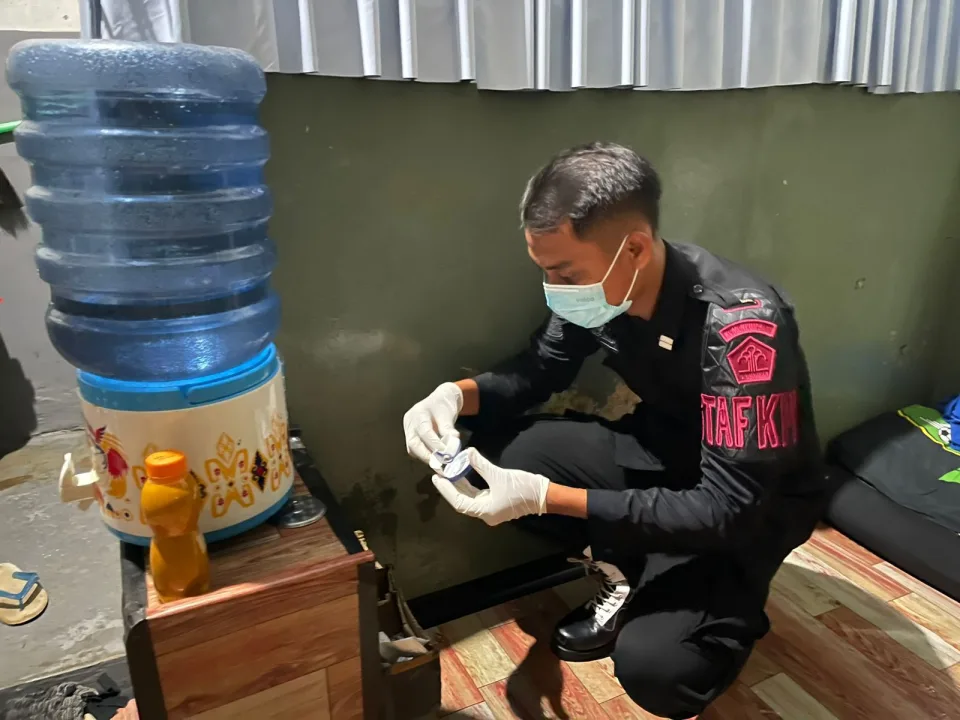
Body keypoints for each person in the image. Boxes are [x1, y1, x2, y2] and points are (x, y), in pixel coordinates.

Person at [403, 143, 826, 719]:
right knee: (493, 453)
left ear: (635, 248)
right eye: (544, 270)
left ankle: (719, 596)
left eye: (564, 272)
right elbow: (538, 370)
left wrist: (545, 498)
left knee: (661, 672)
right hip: (660, 453)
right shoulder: (600, 292)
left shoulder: (741, 324)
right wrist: (453, 397)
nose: (554, 286)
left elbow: (727, 507)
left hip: (747, 508)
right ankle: (635, 566)